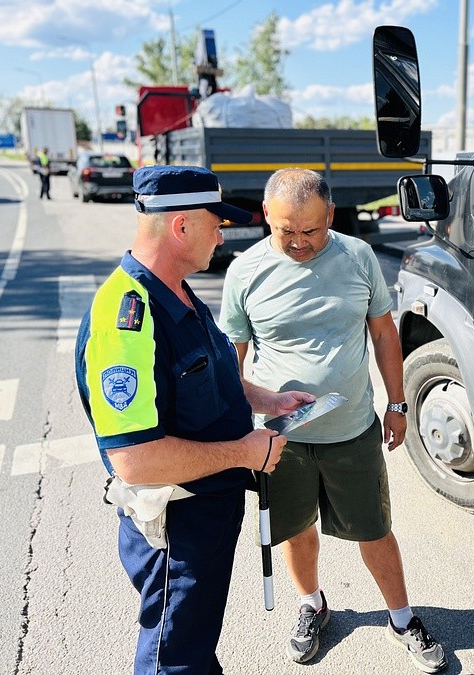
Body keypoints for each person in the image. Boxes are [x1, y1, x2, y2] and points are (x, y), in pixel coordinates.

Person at [74, 165, 315, 674]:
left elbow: (209, 373)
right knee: (173, 657)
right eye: (217, 222)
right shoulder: (128, 315)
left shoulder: (176, 290)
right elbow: (135, 461)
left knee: (195, 643)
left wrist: (267, 401)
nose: (223, 232)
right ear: (182, 227)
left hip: (207, 512)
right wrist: (245, 452)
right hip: (177, 527)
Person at [219, 168, 447, 673]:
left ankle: (403, 618)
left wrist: (397, 403)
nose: (299, 243)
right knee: (298, 531)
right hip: (282, 440)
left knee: (374, 530)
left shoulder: (357, 257)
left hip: (352, 431)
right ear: (266, 217)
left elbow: (386, 335)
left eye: (311, 230)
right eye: (285, 231)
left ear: (331, 217)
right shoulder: (245, 271)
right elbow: (229, 358)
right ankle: (312, 604)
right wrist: (239, 434)